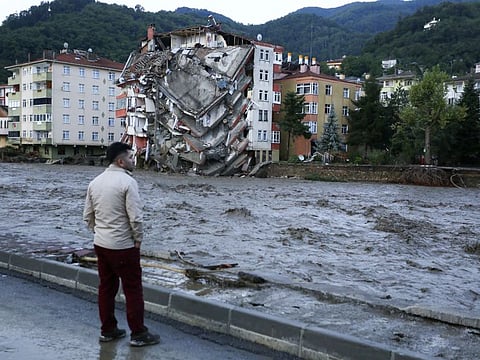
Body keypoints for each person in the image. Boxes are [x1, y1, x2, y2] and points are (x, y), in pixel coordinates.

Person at [83, 142, 160, 347]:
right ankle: (138, 333)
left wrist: (100, 232)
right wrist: (137, 239)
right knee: (133, 289)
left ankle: (108, 330)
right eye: (130, 157)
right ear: (120, 161)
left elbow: (88, 216)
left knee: (106, 288)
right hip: (123, 246)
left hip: (101, 243)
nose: (133, 160)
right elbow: (135, 218)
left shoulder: (95, 182)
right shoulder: (127, 183)